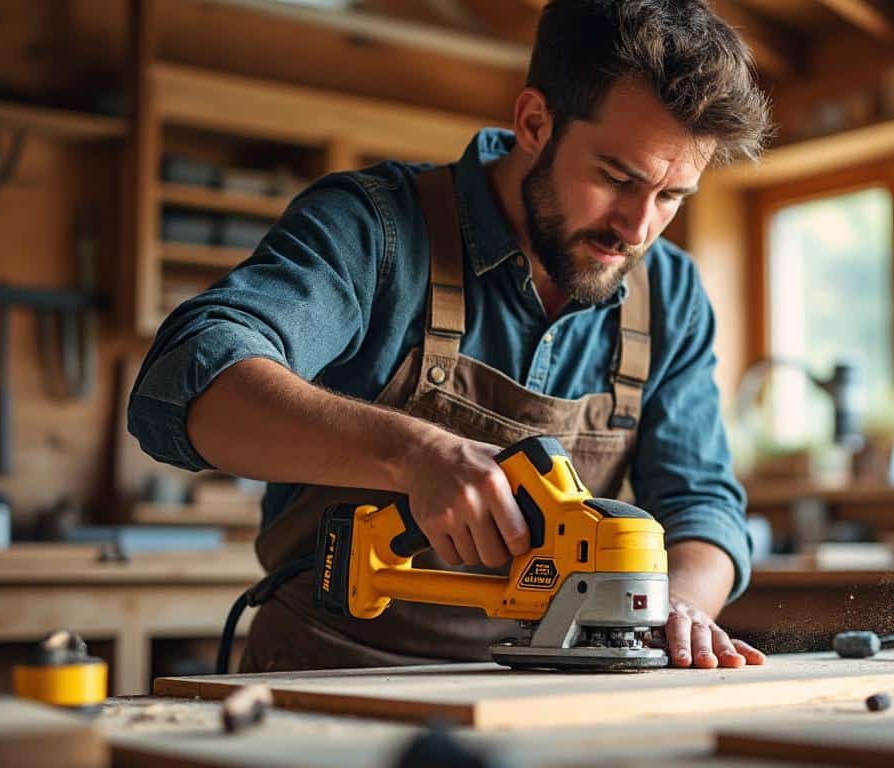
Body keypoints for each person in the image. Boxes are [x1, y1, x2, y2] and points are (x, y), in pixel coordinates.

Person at [128, 0, 773, 672]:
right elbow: (186, 377)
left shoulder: (669, 295)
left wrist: (684, 604)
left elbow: (701, 504)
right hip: (328, 680)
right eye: (618, 179)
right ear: (533, 122)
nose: (638, 228)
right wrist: (411, 454)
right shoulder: (374, 229)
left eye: (672, 197)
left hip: (549, 692)